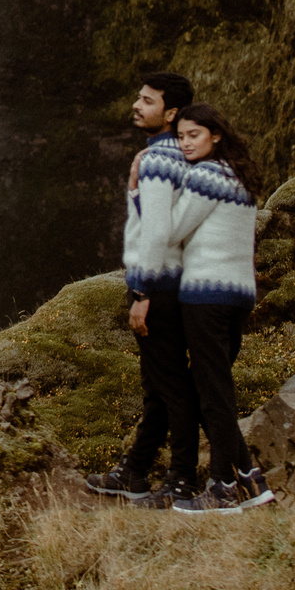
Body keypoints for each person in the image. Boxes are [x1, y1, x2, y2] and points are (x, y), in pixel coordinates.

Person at [88, 71, 198, 508]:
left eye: (147, 101)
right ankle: (134, 470)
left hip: (161, 288)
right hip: (178, 284)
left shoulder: (156, 160)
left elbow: (155, 234)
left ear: (170, 113)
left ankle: (182, 480)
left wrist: (142, 294)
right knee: (158, 385)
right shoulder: (183, 156)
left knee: (171, 387)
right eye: (138, 97)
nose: (136, 105)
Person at [161, 101, 272, 513]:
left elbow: (172, 231)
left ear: (216, 135)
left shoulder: (206, 175)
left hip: (206, 295)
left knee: (212, 394)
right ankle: (249, 478)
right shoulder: (237, 174)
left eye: (194, 135)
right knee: (212, 387)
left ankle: (223, 488)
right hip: (238, 295)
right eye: (181, 137)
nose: (186, 143)